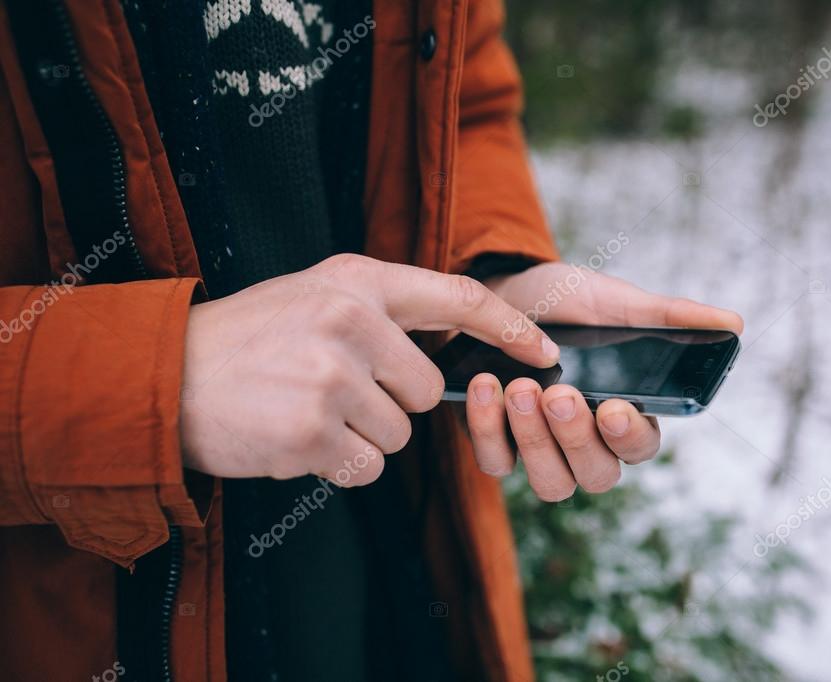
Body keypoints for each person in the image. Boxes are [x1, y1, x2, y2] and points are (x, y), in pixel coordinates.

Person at [0, 1, 742, 680]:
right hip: (83, 617)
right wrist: (157, 383)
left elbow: (461, 97)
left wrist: (490, 269)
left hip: (387, 574)